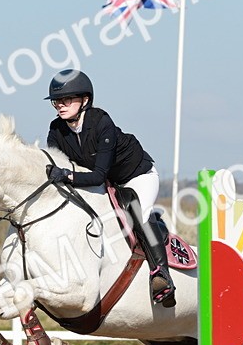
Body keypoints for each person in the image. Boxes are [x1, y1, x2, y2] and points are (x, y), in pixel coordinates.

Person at [43, 69, 175, 307]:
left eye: (66, 100)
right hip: (106, 181)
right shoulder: (56, 129)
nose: (60, 106)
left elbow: (97, 175)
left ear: (84, 100)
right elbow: (58, 164)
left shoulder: (101, 122)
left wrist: (67, 175)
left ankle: (161, 276)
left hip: (136, 176)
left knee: (139, 212)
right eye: (56, 102)